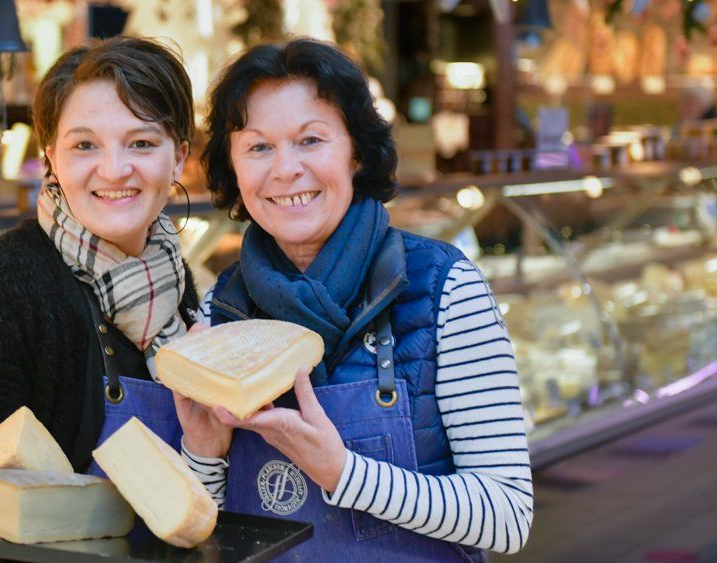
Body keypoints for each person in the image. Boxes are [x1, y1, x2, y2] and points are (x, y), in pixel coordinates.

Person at [175, 38, 533, 561]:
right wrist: (204, 453)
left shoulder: (445, 290)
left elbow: (506, 517)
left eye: (310, 140)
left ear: (357, 152)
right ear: (233, 166)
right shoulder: (220, 309)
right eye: (258, 147)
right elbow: (203, 537)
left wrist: (343, 472)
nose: (285, 169)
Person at [0, 37, 199, 561]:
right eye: (85, 146)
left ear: (180, 159)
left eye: (142, 143)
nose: (114, 169)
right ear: (51, 159)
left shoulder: (175, 282)